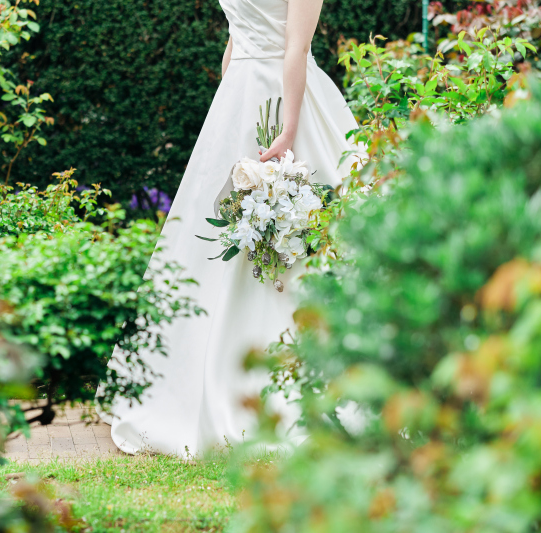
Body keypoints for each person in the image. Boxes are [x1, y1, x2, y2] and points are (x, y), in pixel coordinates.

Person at [100, 0, 363, 456]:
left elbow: (234, 41)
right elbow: (296, 49)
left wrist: (229, 111)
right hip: (282, 97)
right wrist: (288, 130)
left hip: (241, 93)